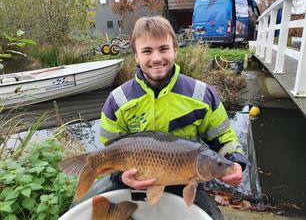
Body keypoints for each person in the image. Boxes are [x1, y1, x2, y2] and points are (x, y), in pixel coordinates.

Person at [81, 16, 248, 219]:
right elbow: (111, 149)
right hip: (132, 178)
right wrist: (122, 177)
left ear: (175, 50)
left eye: (163, 49)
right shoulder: (117, 100)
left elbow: (225, 139)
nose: (156, 58)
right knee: (84, 205)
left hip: (183, 180)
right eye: (147, 51)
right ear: (135, 56)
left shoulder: (201, 94)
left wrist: (235, 162)